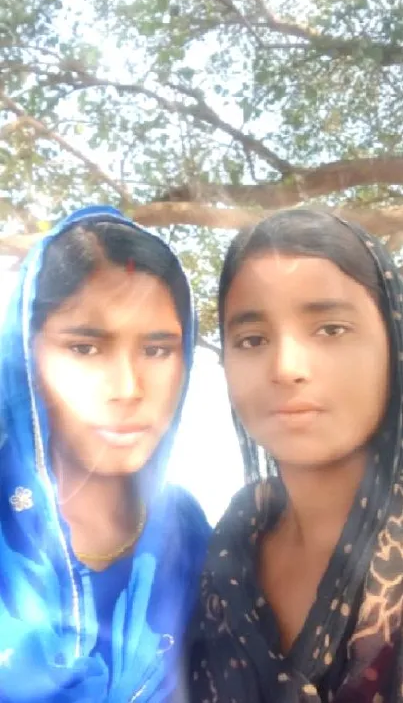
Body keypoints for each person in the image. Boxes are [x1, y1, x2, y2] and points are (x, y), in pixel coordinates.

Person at [189, 208, 403, 702]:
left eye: (330, 329)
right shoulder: (231, 547)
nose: (286, 368)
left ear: (392, 344)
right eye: (252, 339)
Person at [0, 204, 210, 702]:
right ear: (26, 357)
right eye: (85, 348)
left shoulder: (191, 533)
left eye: (158, 350)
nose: (128, 388)